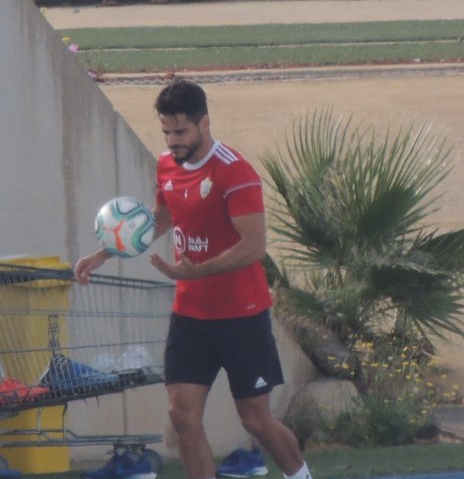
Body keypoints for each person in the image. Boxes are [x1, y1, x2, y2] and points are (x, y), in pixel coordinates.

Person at [74, 79, 312, 479]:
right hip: (191, 316)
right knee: (182, 416)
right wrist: (106, 252)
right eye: (166, 132)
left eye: (180, 131)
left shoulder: (235, 172)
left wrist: (198, 271)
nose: (172, 141)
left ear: (204, 123)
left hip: (242, 315)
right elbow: (162, 216)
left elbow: (253, 247)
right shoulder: (167, 165)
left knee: (256, 419)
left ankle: (301, 475)